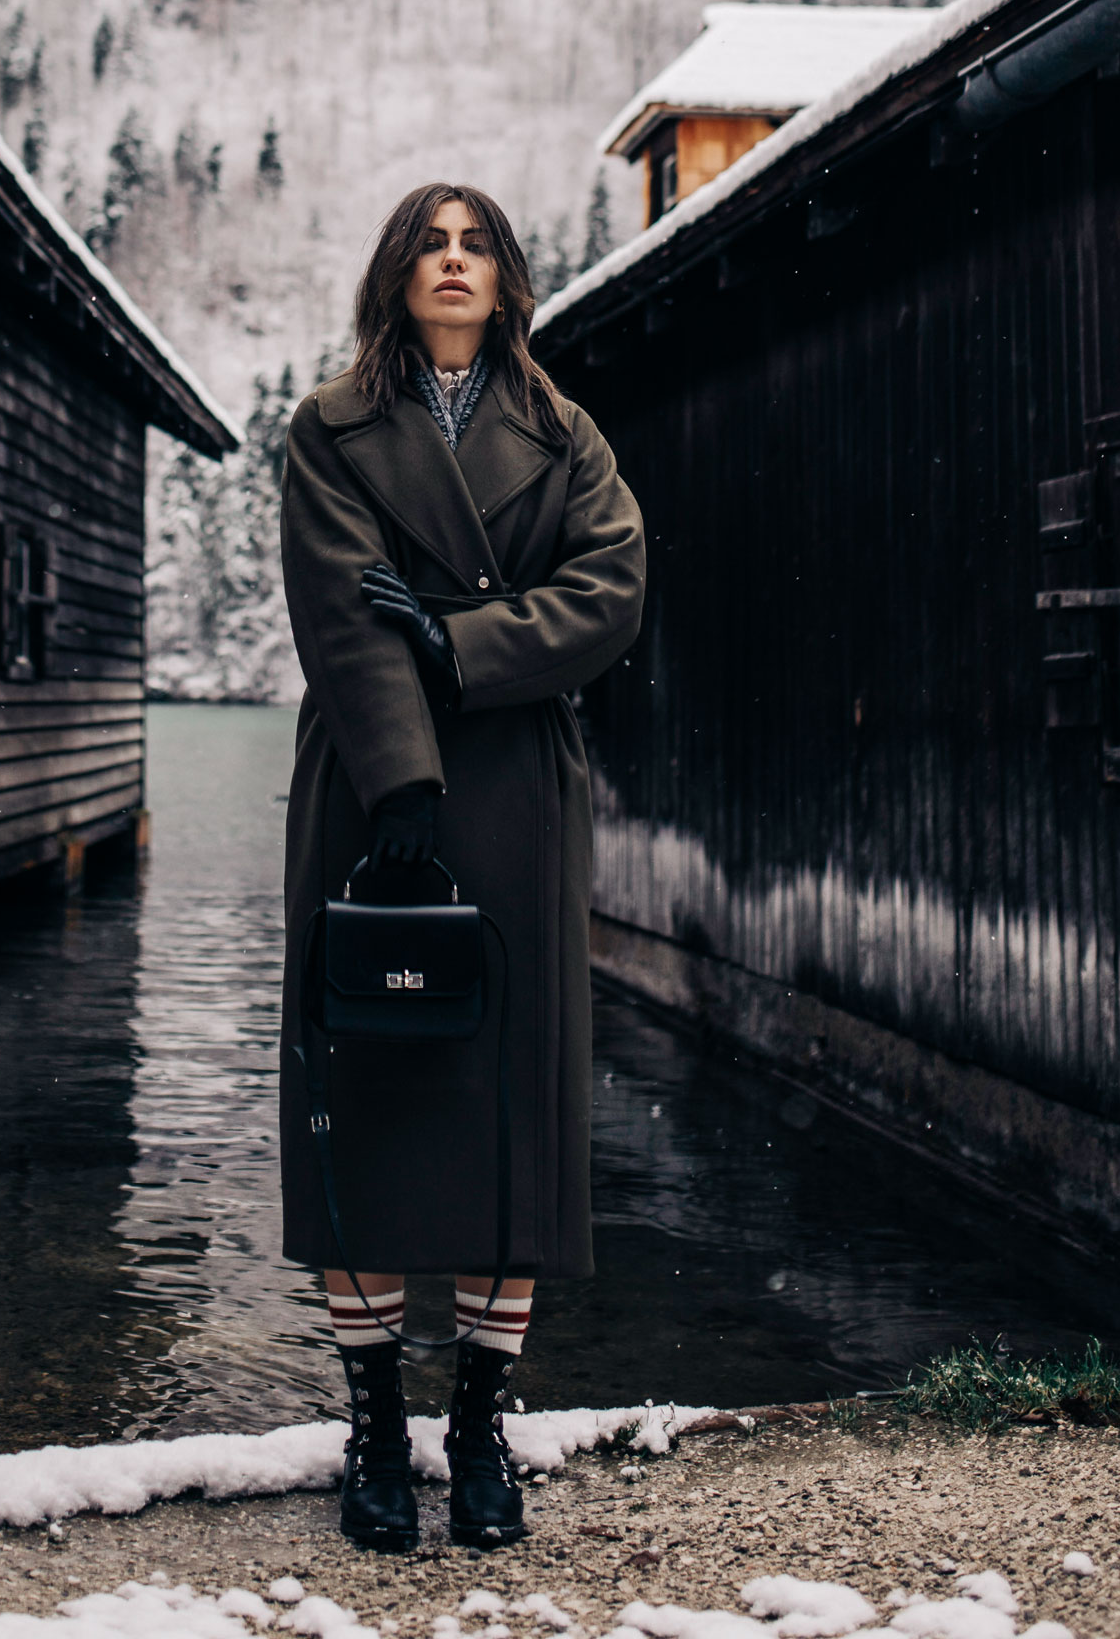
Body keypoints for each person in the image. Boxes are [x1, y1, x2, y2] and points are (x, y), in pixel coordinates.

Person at [279, 182, 647, 1553]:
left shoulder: (564, 433)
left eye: (474, 243)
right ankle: (376, 1424)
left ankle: (482, 1420)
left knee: (513, 1111)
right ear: (397, 273)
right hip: (376, 793)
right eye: (429, 243)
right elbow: (334, 600)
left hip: (518, 798)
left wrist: (457, 643)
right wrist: (404, 777)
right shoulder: (330, 429)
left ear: (506, 280)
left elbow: (613, 592)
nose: (451, 261)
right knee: (367, 1093)